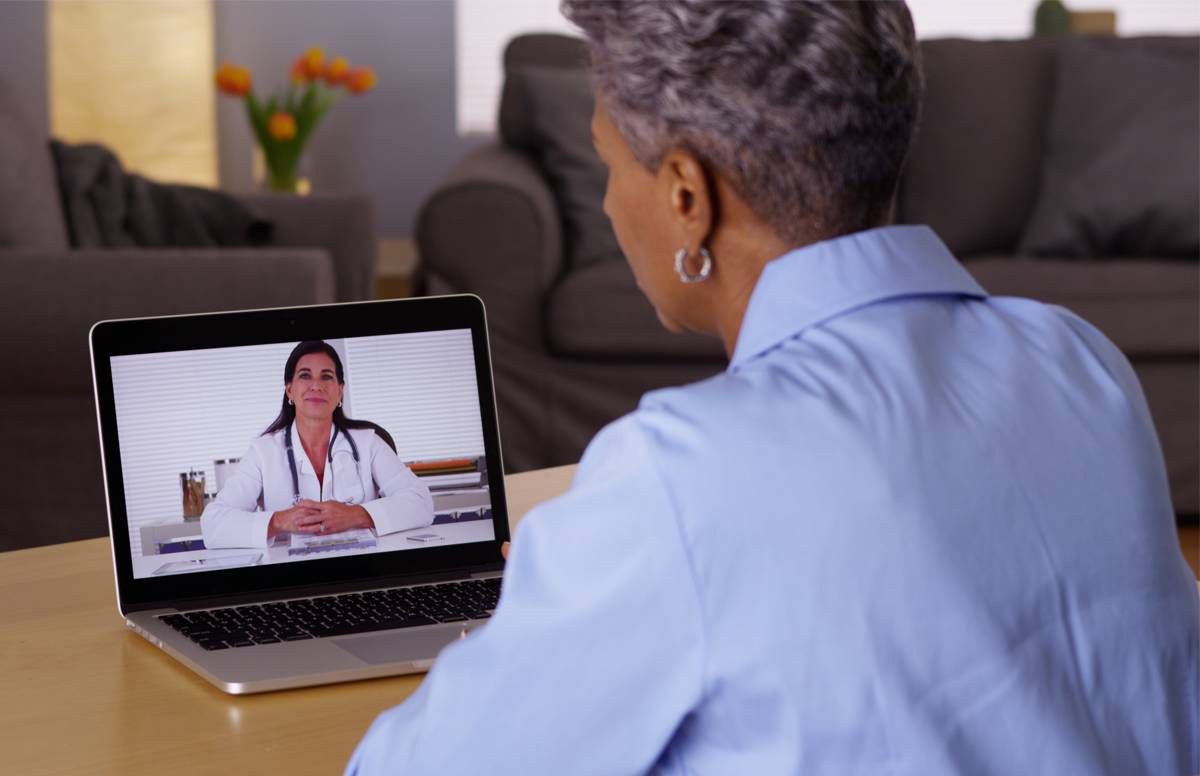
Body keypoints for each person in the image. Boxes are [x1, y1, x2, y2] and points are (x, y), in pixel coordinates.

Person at [348, 2, 1199, 773]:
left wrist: (554, 605)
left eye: (610, 166)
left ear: (688, 197)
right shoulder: (1080, 361)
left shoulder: (680, 478)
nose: (609, 206)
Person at [201, 340, 433, 549]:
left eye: (326, 376)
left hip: (363, 571)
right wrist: (280, 520)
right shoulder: (263, 452)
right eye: (305, 375)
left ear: (340, 391)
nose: (316, 385)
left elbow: (421, 502)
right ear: (290, 390)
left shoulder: (368, 443)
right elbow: (213, 524)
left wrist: (356, 515)